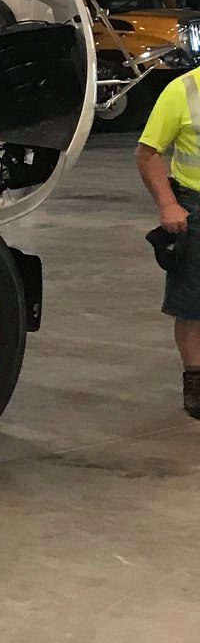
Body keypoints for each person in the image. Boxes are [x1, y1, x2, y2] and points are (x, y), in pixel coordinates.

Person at [136, 65, 200, 417]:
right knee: (193, 304)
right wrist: (168, 204)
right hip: (195, 207)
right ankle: (196, 381)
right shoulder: (183, 90)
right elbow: (147, 153)